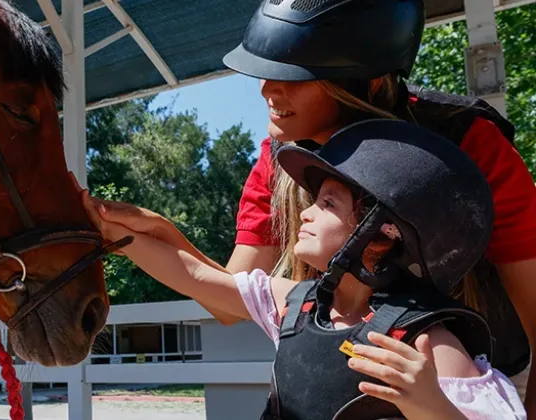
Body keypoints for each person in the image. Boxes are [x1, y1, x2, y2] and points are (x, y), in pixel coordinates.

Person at [93, 0, 536, 410]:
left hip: (468, 389)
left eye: (295, 74)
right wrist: (157, 231)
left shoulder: (470, 146)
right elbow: (228, 301)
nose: (266, 89)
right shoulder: (276, 158)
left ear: (371, 82)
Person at [82, 119, 527, 419]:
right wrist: (118, 231)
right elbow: (195, 277)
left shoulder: (425, 340)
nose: (308, 214)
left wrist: (435, 407)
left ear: (382, 233)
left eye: (328, 203)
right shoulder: (296, 307)